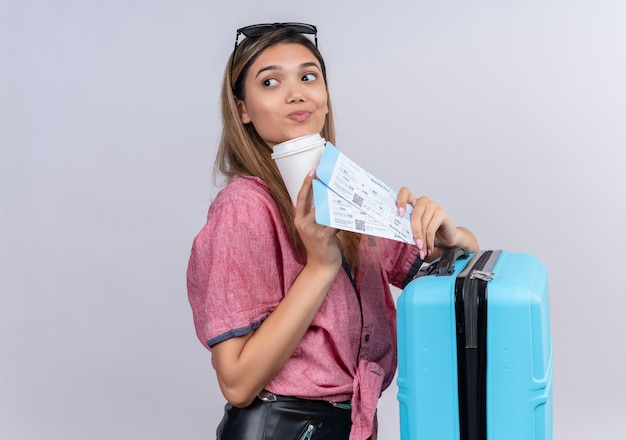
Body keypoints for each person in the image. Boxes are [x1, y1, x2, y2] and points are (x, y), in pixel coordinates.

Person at [187, 22, 479, 440]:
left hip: (352, 426)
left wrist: (453, 237)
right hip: (284, 428)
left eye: (309, 76)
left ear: (325, 97)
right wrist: (320, 266)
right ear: (243, 110)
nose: (296, 93)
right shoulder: (245, 207)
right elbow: (236, 381)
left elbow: (436, 273)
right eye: (270, 81)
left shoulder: (349, 190)